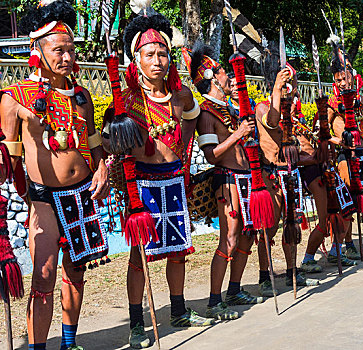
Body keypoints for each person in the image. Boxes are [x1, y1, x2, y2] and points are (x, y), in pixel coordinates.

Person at [0, 1, 110, 349]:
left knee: (75, 271)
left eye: (71, 50)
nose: (67, 57)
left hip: (83, 192)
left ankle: (69, 342)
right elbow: (7, 157)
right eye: (57, 50)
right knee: (44, 275)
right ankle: (37, 347)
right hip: (43, 197)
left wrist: (103, 169)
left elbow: (93, 143)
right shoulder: (15, 98)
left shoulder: (81, 96)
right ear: (37, 52)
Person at [102, 12, 214, 348]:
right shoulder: (127, 101)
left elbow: (193, 119)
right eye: (149, 54)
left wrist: (185, 150)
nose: (158, 60)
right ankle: (137, 323)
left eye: (162, 53)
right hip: (143, 185)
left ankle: (178, 309)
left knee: (179, 251)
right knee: (139, 257)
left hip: (175, 181)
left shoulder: (181, 97)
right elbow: (108, 141)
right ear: (136, 59)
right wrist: (114, 142)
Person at [187, 42, 263, 320]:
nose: (229, 76)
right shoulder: (207, 113)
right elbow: (210, 155)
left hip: (246, 177)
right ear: (210, 78)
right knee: (229, 239)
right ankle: (214, 300)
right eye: (221, 71)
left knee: (247, 235)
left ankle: (235, 289)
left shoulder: (231, 108)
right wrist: (238, 133)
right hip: (227, 180)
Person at [255, 62, 322, 297]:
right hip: (271, 175)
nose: (289, 89)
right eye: (285, 85)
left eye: (291, 85)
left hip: (291, 174)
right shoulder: (263, 108)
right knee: (270, 227)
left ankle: (293, 271)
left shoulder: (294, 116)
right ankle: (265, 275)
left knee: (292, 226)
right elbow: (272, 122)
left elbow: (304, 149)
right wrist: (276, 89)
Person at [327, 51, 363, 259]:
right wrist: (337, 140)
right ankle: (348, 243)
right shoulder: (332, 102)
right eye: (338, 79)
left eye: (345, 78)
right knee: (349, 201)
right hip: (345, 156)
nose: (342, 83)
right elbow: (322, 131)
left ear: (352, 76)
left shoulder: (361, 100)